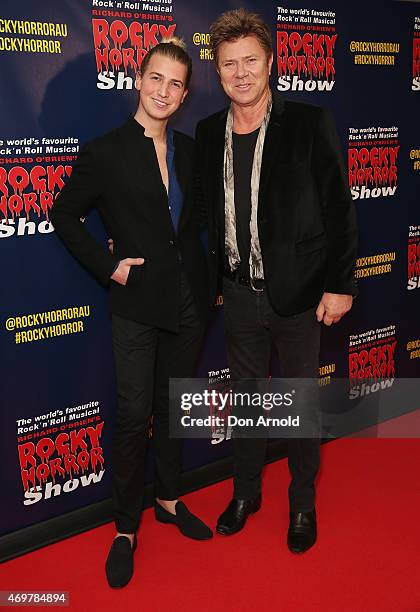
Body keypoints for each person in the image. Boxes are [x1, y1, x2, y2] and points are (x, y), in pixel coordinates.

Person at [50, 37, 212, 589]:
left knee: (172, 409)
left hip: (189, 302)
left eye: (175, 84)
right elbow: (64, 214)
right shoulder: (106, 150)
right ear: (138, 80)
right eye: (156, 78)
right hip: (137, 303)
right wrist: (109, 266)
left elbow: (200, 221)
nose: (164, 91)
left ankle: (168, 499)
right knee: (132, 414)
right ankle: (125, 528)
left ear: (185, 94)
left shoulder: (191, 151)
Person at [195, 9, 358, 553]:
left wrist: (341, 285)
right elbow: (198, 217)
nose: (240, 73)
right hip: (238, 296)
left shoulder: (310, 123)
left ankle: (303, 503)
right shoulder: (206, 131)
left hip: (298, 296)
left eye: (249, 62)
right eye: (228, 65)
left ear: (269, 63)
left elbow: (339, 209)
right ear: (217, 73)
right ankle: (246, 494)